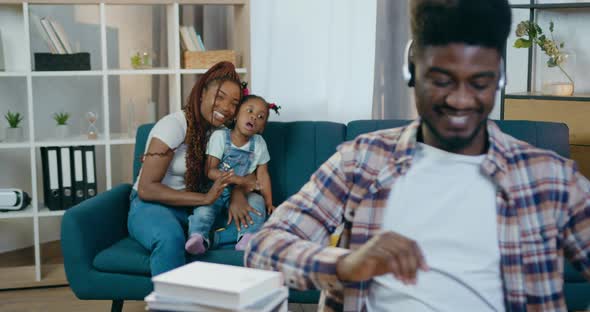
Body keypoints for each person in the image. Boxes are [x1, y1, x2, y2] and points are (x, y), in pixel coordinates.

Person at [245, 0, 590, 311]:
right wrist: (343, 264)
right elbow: (263, 249)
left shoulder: (550, 177)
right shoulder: (362, 161)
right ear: (411, 72)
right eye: (441, 81)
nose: (460, 100)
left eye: (480, 83)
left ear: (500, 78)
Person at [129, 61, 265, 276]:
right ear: (202, 93)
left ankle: (203, 239)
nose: (226, 108)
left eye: (234, 103)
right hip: (152, 204)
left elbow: (240, 167)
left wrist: (238, 194)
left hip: (191, 208)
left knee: (256, 224)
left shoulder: (220, 133)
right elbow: (147, 188)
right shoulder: (173, 126)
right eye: (219, 97)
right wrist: (204, 199)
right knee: (170, 237)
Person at [185, 95, 279, 254]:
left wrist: (269, 201)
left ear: (262, 128)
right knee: (204, 209)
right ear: (235, 116)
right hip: (216, 188)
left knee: (257, 202)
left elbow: (263, 174)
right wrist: (237, 179)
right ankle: (198, 237)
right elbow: (210, 170)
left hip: (243, 193)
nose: (253, 117)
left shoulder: (259, 144)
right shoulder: (221, 137)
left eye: (260, 117)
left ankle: (248, 237)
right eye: (249, 111)